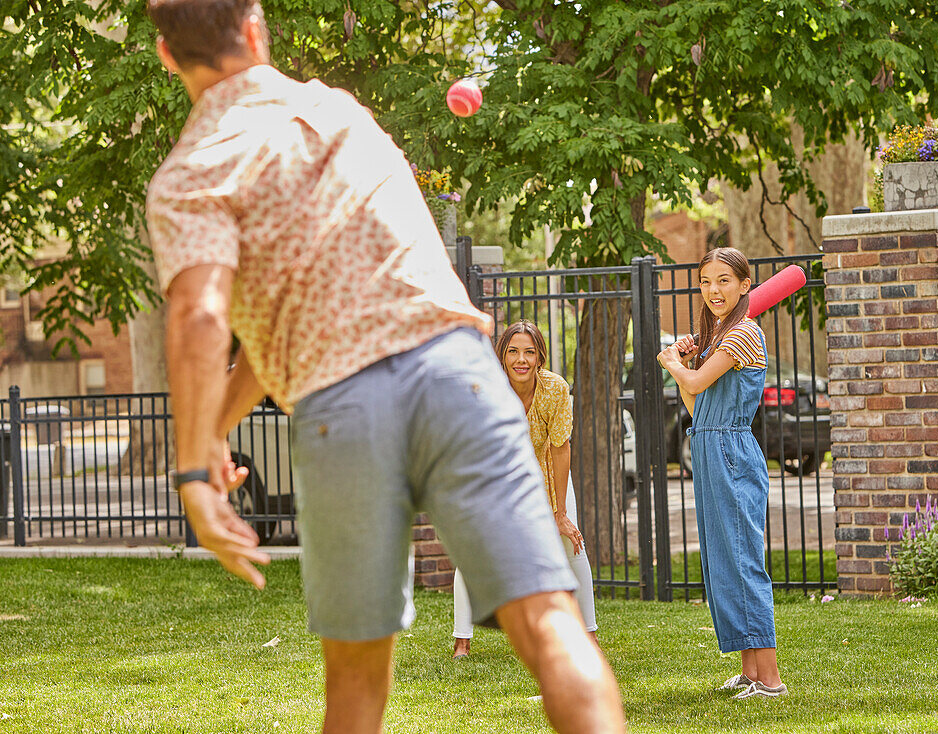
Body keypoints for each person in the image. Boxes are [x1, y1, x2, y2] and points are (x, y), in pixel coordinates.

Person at [143, 2, 625, 732]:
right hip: (459, 371)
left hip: (341, 405)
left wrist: (192, 471)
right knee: (552, 628)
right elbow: (291, 326)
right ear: (255, 29)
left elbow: (204, 316)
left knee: (356, 685)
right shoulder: (338, 113)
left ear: (164, 55)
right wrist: (217, 431)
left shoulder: (191, 174)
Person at [656, 247, 787, 699]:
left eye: (724, 281)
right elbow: (699, 408)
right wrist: (684, 365)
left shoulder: (743, 334)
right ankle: (750, 672)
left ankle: (769, 678)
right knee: (721, 561)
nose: (714, 290)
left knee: (742, 559)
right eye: (707, 281)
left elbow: (693, 384)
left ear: (745, 285)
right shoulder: (719, 338)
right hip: (709, 443)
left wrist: (676, 362)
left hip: (731, 451)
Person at [452, 321, 597, 658]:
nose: (521, 359)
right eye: (513, 351)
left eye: (529, 352)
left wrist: (560, 514)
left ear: (540, 357)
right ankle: (462, 640)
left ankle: (588, 636)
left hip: (547, 473)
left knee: (571, 544)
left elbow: (561, 448)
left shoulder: (556, 389)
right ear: (502, 356)